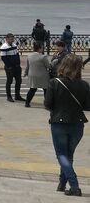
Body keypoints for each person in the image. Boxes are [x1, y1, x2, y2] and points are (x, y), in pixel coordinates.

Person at [44, 54, 90, 197]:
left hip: (59, 124)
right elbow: (88, 106)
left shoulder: (54, 83)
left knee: (62, 155)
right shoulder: (84, 85)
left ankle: (74, 186)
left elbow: (48, 104)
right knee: (68, 155)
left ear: (63, 65)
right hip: (78, 124)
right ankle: (62, 183)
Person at [24, 42, 50, 107]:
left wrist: (25, 73)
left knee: (32, 89)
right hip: (42, 76)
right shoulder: (43, 57)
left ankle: (27, 103)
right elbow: (48, 66)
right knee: (46, 90)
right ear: (40, 48)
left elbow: (28, 66)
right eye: (42, 47)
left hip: (32, 75)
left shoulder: (29, 56)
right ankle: (47, 104)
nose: (43, 49)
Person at [0, 33, 24, 103]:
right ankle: (9, 96)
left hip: (17, 66)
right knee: (9, 81)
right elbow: (3, 58)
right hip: (10, 67)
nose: (12, 40)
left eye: (13, 39)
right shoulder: (4, 47)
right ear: (7, 39)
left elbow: (17, 54)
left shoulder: (14, 45)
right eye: (11, 39)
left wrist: (18, 64)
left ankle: (17, 95)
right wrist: (9, 66)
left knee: (19, 81)